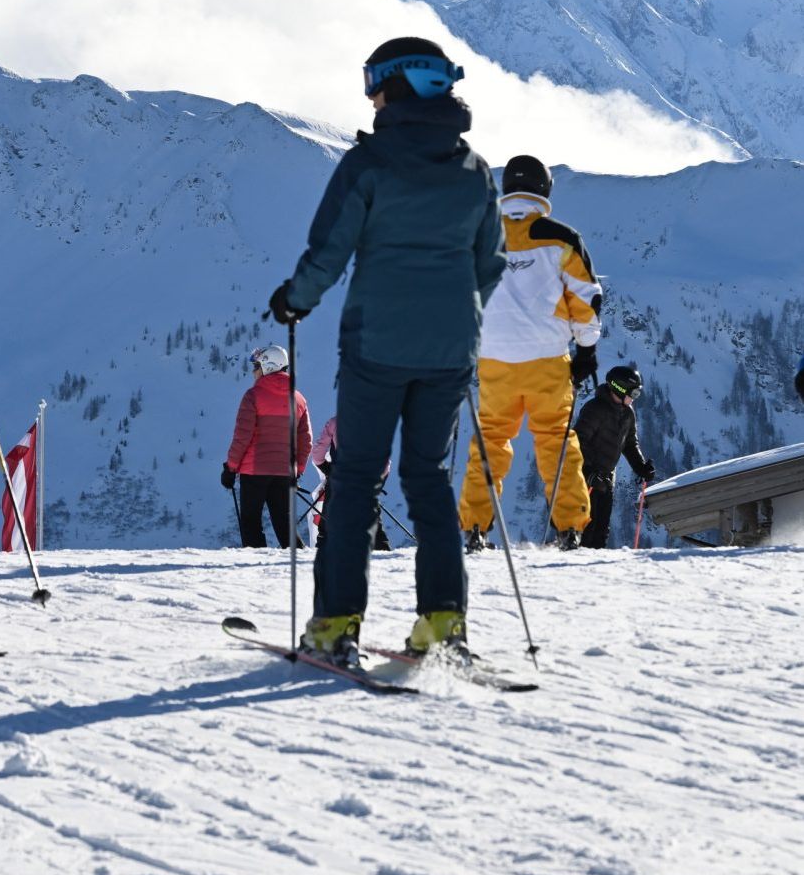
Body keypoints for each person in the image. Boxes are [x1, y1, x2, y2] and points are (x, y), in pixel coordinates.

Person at [268, 36, 505, 665]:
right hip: (451, 350)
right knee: (427, 480)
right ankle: (442, 624)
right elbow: (490, 264)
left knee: (353, 481)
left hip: (377, 347)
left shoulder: (368, 165)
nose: (369, 94)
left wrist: (294, 299)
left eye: (373, 80)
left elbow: (329, 252)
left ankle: (336, 623)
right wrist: (457, 314)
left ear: (399, 85)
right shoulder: (475, 170)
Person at [457, 155, 601, 552]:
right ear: (544, 190)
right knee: (556, 441)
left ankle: (474, 528)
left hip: (494, 359)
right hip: (547, 359)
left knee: (489, 441)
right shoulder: (561, 237)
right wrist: (587, 349)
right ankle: (570, 527)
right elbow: (586, 297)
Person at [222, 345, 312, 548]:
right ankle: (299, 562)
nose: (253, 371)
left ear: (268, 367)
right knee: (284, 523)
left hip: (254, 471)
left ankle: (256, 569)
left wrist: (230, 468)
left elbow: (242, 437)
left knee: (251, 522)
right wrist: (298, 470)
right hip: (284, 471)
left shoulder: (253, 396)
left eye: (256, 366)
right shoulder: (298, 399)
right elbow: (305, 439)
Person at [576, 365, 655, 548]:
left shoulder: (627, 413)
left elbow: (629, 443)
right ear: (620, 389)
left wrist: (641, 467)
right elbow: (578, 440)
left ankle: (593, 571)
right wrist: (588, 471)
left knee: (601, 529)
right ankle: (572, 566)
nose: (635, 399)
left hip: (606, 478)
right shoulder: (595, 409)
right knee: (585, 527)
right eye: (633, 394)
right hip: (584, 478)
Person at [309, 418, 391, 551]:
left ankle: (321, 555)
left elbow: (317, 454)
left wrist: (327, 469)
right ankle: (383, 554)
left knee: (328, 526)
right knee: (373, 525)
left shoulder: (335, 422)